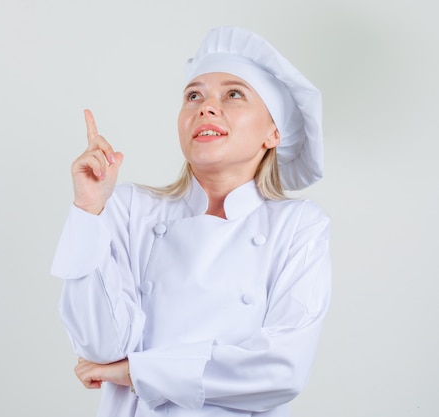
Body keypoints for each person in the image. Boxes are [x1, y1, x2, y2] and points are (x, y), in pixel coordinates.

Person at [51, 26, 331, 417]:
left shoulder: (297, 226)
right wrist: (88, 209)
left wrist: (137, 372)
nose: (206, 106)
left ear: (273, 133)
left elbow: (280, 371)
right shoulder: (129, 207)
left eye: (233, 94)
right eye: (193, 95)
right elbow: (100, 346)